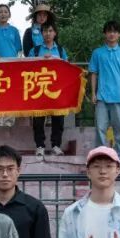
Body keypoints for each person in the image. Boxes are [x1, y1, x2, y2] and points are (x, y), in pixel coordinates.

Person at [89, 20, 120, 170]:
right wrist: (93, 92)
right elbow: (94, 73)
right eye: (109, 31)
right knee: (100, 128)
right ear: (105, 33)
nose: (112, 34)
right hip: (102, 96)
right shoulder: (97, 53)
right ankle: (101, 157)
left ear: (119, 34)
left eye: (115, 31)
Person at [28, 22, 69, 156]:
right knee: (38, 120)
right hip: (39, 89)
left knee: (58, 119)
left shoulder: (61, 50)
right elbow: (27, 68)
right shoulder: (34, 51)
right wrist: (41, 60)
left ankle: (56, 145)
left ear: (55, 33)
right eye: (45, 31)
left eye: (50, 31)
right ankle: (40, 145)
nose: (48, 34)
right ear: (41, 34)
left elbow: (66, 68)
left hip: (56, 89)